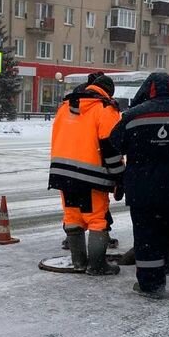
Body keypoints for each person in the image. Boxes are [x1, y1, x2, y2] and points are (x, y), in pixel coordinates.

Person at [109, 72, 169, 298]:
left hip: (143, 191)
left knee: (147, 237)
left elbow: (115, 143)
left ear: (145, 90)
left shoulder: (131, 117)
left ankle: (152, 285)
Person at [48, 71, 124, 275]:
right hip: (92, 176)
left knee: (72, 216)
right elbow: (111, 148)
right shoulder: (105, 109)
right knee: (97, 219)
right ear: (108, 92)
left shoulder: (65, 107)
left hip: (62, 173)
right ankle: (97, 265)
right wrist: (119, 176)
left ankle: (79, 261)